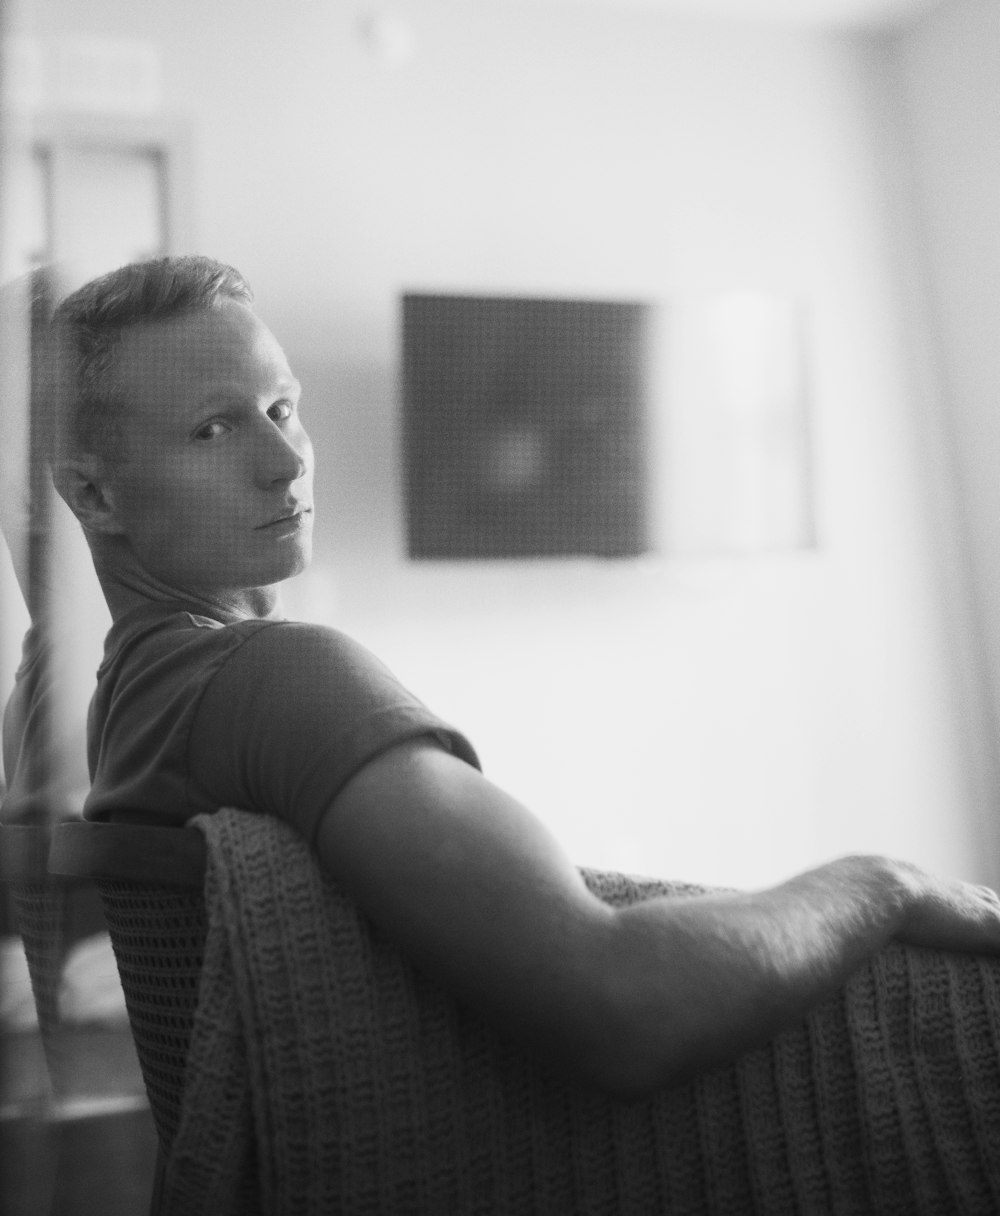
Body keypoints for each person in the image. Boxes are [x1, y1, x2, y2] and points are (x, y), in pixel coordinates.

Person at [17, 254, 1000, 1099]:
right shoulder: (273, 677)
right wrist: (884, 882)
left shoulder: (126, 694)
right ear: (95, 495)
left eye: (282, 406)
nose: (288, 461)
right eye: (214, 430)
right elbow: (617, 1003)